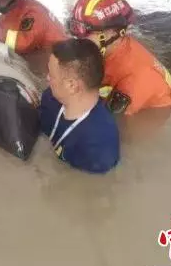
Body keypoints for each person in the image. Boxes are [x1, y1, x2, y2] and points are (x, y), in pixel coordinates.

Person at [69, 0, 171, 117]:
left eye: (86, 35)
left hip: (155, 110)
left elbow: (112, 124)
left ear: (112, 32)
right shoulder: (109, 49)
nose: (78, 41)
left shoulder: (134, 79)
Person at [40, 38, 120, 174]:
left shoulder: (99, 147)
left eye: (51, 75)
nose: (47, 78)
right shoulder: (50, 98)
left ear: (71, 85)